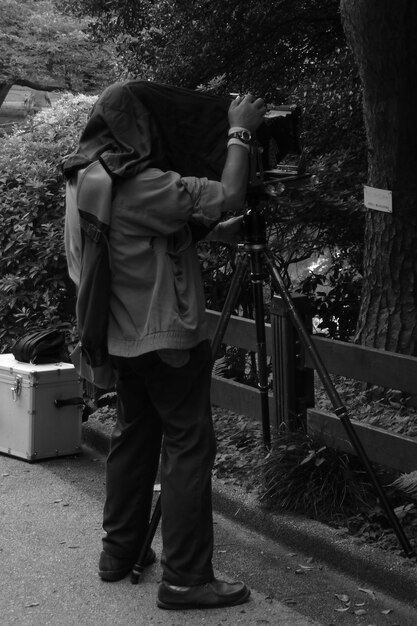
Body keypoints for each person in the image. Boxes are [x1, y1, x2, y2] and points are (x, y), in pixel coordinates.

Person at [64, 82, 266, 610]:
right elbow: (227, 197)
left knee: (134, 438)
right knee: (188, 446)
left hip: (118, 335)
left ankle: (120, 551)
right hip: (165, 335)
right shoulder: (140, 183)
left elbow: (145, 237)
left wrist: (209, 230)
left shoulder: (85, 176)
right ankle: (186, 578)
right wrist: (240, 132)